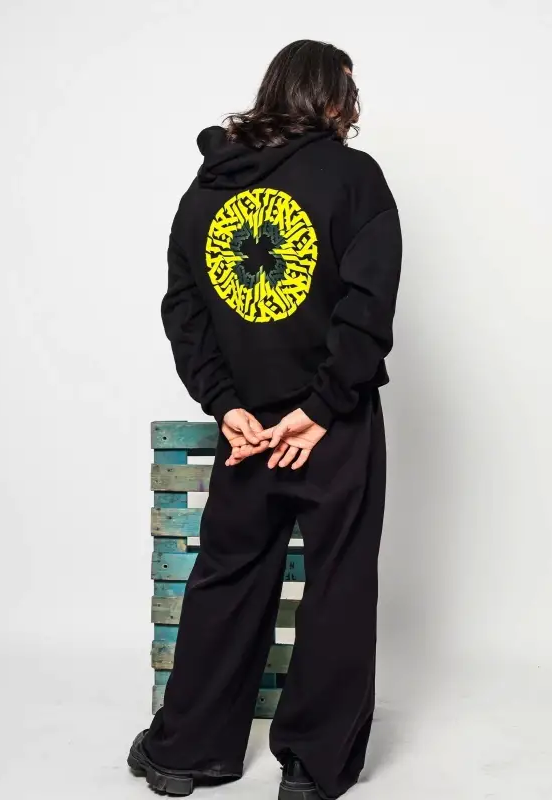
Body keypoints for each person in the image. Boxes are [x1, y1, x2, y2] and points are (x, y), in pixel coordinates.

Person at [128, 38, 403, 800]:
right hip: (333, 426)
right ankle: (312, 767)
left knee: (228, 574)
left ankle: (186, 751)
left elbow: (184, 309)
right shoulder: (354, 179)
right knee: (339, 580)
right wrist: (321, 408)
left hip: (249, 428)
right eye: (350, 92)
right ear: (329, 97)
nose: (354, 109)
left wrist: (226, 405)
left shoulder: (208, 188)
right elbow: (368, 305)